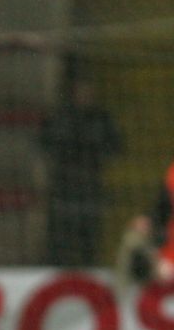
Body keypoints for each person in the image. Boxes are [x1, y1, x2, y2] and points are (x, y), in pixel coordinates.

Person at [39, 73, 123, 268]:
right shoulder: (60, 118)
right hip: (64, 187)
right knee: (60, 236)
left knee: (89, 237)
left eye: (89, 91)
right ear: (73, 93)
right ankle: (57, 271)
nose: (86, 95)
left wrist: (99, 154)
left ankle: (89, 268)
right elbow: (43, 143)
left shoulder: (101, 118)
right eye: (82, 91)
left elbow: (116, 147)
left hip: (90, 187)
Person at [117, 158, 174, 284]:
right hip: (167, 245)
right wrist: (148, 219)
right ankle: (120, 299)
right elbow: (163, 204)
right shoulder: (172, 175)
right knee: (132, 238)